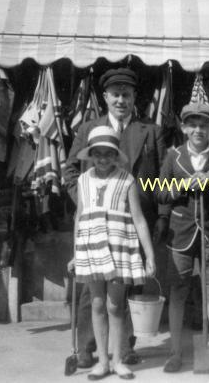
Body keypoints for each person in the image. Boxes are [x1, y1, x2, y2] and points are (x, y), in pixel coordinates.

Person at [64, 68, 168, 369]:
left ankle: (125, 348)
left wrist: (161, 215)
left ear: (134, 97)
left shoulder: (150, 130)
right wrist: (92, 201)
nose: (121, 100)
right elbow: (70, 171)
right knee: (92, 293)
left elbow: (161, 178)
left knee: (128, 288)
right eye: (115, 95)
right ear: (105, 97)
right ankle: (87, 347)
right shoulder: (89, 129)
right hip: (97, 225)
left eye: (126, 94)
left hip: (135, 220)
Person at [158, 102, 209, 373]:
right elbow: (159, 193)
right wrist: (181, 186)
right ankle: (175, 353)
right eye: (192, 124)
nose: (198, 129)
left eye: (203, 125)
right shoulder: (173, 157)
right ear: (183, 128)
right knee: (178, 290)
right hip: (181, 232)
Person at [71, 125, 156, 380]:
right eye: (98, 153)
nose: (103, 159)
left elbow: (139, 219)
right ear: (91, 154)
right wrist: (75, 252)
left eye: (108, 154)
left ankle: (118, 359)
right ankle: (103, 363)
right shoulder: (83, 180)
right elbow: (79, 217)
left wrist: (149, 254)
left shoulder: (126, 180)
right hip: (91, 247)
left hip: (120, 248)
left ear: (116, 155)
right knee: (97, 303)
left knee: (115, 305)